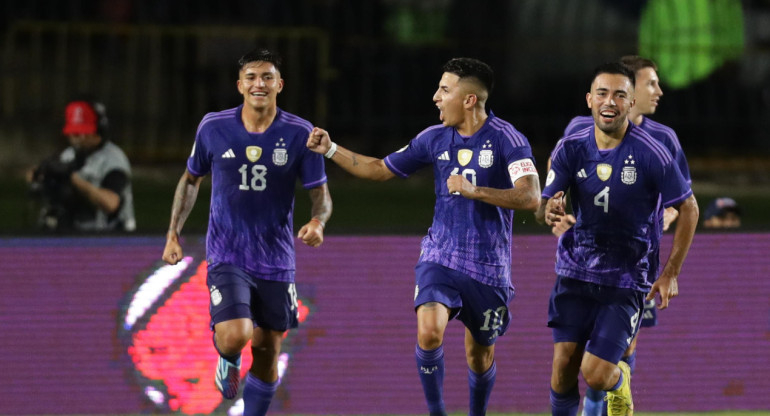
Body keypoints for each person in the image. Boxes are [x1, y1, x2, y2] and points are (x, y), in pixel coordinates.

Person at [307, 57, 541, 416]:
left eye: (444, 90)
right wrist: (332, 149)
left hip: (489, 267)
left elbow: (530, 196)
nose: (435, 97)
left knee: (480, 355)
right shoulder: (432, 139)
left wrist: (475, 191)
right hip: (440, 256)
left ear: (469, 100)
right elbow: (379, 169)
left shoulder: (508, 140)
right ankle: (437, 412)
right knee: (429, 332)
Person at [161, 48, 332, 416]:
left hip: (275, 259)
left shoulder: (300, 134)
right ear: (239, 85)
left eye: (267, 77)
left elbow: (321, 197)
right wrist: (173, 232)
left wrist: (318, 222)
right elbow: (191, 180)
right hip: (228, 253)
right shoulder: (213, 127)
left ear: (279, 85)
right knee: (237, 334)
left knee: (268, 351)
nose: (259, 84)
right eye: (251, 77)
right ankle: (226, 355)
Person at [536, 62, 698, 416]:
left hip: (627, 277)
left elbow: (689, 207)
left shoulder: (654, 150)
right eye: (603, 94)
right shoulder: (571, 145)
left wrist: (670, 272)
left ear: (630, 103)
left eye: (620, 95)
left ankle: (617, 382)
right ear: (589, 99)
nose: (610, 102)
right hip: (575, 271)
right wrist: (549, 208)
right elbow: (545, 202)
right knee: (563, 368)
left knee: (595, 373)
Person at [28, 98, 135, 232]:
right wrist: (42, 174)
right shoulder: (68, 155)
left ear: (99, 130)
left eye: (83, 132)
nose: (78, 137)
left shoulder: (113, 159)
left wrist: (73, 180)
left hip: (112, 237)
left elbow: (111, 204)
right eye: (74, 132)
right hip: (75, 231)